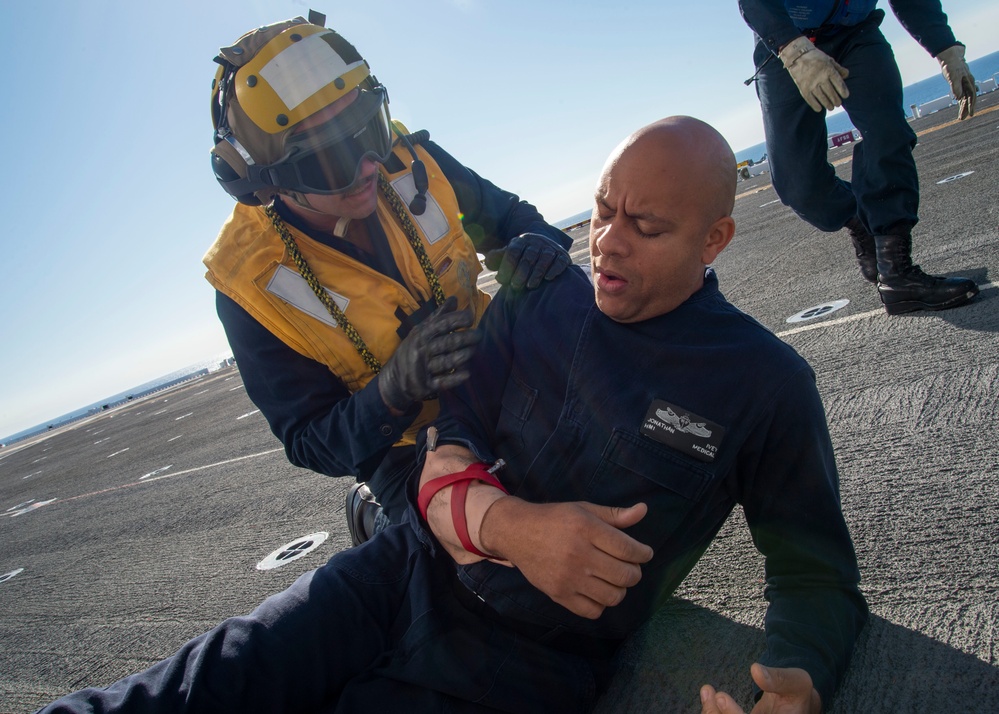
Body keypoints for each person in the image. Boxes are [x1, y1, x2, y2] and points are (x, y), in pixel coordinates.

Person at [37, 117, 867, 714]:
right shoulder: (535, 305)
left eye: (644, 226)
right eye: (601, 209)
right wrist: (503, 520)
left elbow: (815, 573)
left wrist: (799, 675)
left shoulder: (763, 385)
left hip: (522, 659)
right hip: (404, 566)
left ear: (715, 239)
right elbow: (452, 429)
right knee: (195, 685)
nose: (605, 242)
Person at [202, 12, 571, 542]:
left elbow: (510, 217)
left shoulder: (409, 156)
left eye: (369, 131)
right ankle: (377, 516)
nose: (369, 166)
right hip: (407, 450)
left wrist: (535, 247)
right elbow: (308, 440)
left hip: (503, 374)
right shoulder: (247, 283)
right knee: (488, 571)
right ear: (262, 182)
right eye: (332, 160)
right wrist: (392, 393)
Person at [739, 0, 980, 315]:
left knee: (887, 132)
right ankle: (859, 218)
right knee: (800, 186)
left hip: (856, 35)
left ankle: (897, 273)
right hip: (785, 42)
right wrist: (795, 51)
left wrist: (946, 48)